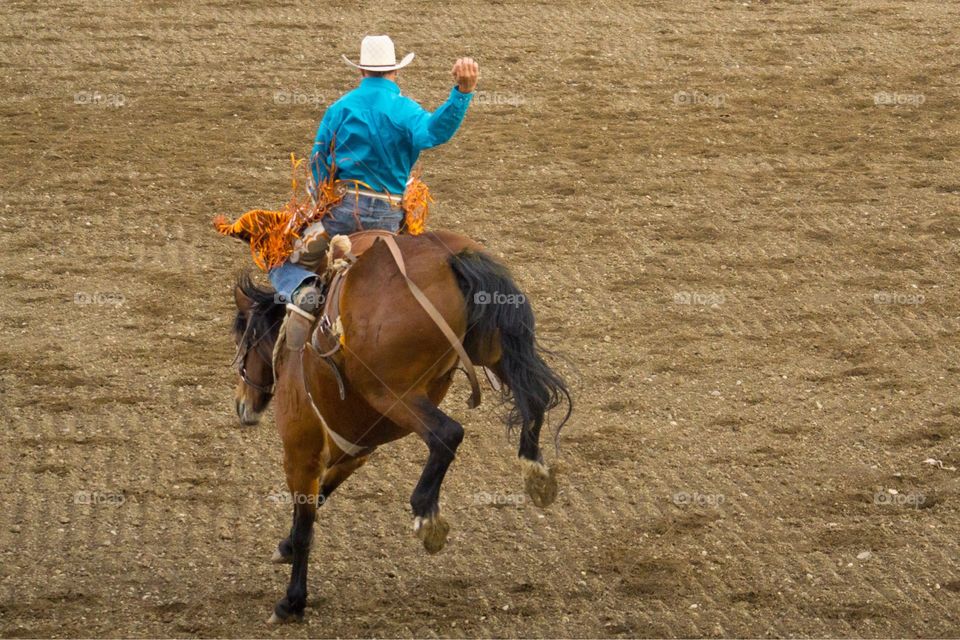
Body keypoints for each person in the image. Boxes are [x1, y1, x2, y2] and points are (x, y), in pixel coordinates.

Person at [269, 35, 479, 348]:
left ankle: (303, 291)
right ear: (395, 72)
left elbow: (318, 164)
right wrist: (462, 93)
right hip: (390, 220)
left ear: (361, 72)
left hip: (341, 217)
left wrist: (318, 206)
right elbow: (435, 131)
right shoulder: (405, 110)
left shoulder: (339, 109)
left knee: (278, 253)